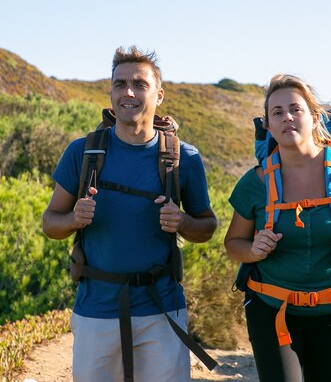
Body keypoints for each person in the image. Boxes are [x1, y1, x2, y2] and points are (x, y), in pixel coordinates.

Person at [42, 46, 217, 382]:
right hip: (96, 309)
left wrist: (182, 222)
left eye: (140, 84)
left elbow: (207, 226)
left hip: (162, 309)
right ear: (110, 93)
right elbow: (51, 223)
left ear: (159, 95)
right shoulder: (83, 152)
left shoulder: (184, 159)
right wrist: (73, 220)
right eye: (120, 84)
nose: (129, 93)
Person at [224, 74, 331, 382]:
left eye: (295, 109)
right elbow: (233, 243)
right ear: (269, 127)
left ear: (314, 118)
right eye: (277, 112)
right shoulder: (255, 182)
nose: (287, 117)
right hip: (272, 309)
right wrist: (253, 250)